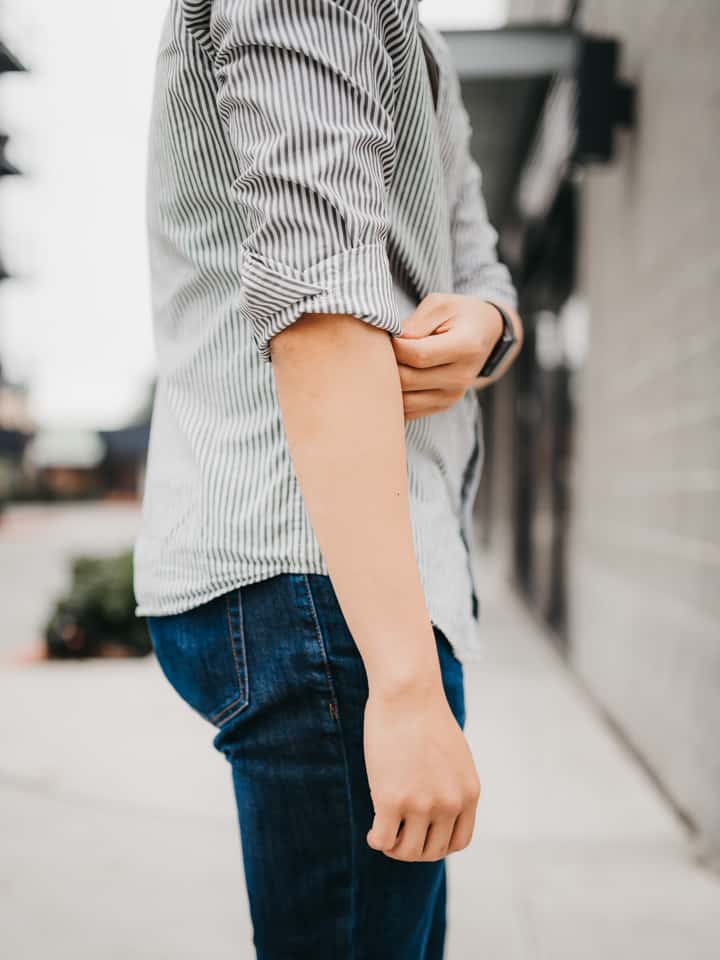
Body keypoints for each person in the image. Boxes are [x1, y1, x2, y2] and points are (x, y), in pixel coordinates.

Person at [134, 0, 523, 956]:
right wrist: (403, 684)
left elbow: (479, 259)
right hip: (317, 579)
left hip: (343, 577)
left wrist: (489, 329)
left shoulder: (414, 34)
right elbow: (319, 312)